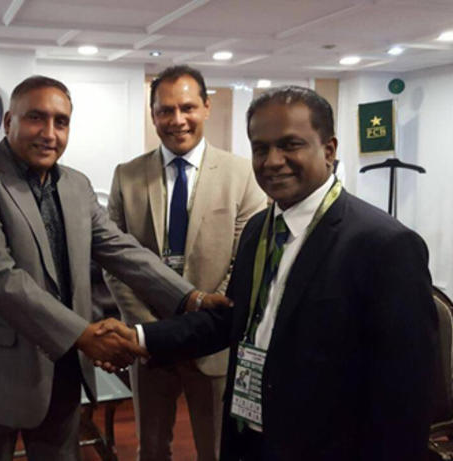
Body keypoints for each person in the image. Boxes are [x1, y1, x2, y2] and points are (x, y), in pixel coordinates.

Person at [98, 86, 437, 460]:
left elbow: (406, 395)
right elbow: (231, 318)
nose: (273, 161)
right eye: (260, 149)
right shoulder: (260, 228)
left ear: (329, 150)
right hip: (250, 435)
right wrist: (140, 337)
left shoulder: (384, 245)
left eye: (290, 145)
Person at [0, 75, 231, 460]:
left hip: (62, 372)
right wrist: (83, 334)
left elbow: (121, 249)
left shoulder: (76, 184)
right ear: (8, 121)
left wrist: (190, 298)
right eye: (36, 118)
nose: (49, 133)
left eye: (61, 122)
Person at [104, 65, 265, 461]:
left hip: (212, 343)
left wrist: (199, 327)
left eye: (188, 107)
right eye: (165, 110)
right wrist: (151, 331)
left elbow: (242, 261)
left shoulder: (242, 174)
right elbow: (113, 261)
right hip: (148, 339)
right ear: (153, 114)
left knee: (217, 449)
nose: (177, 120)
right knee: (151, 448)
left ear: (206, 107)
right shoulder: (127, 175)